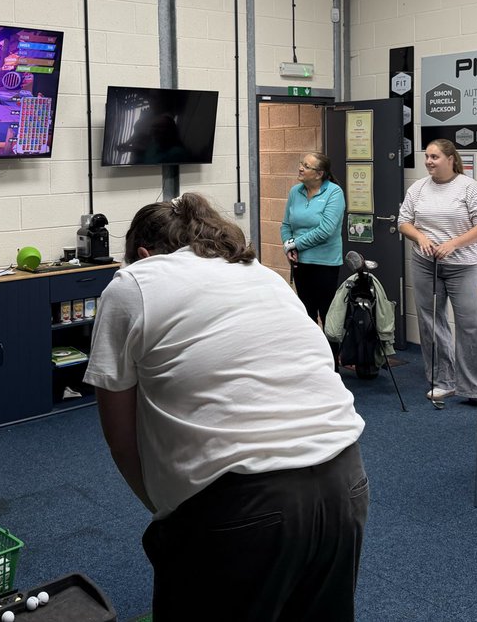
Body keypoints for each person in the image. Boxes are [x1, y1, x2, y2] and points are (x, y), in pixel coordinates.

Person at [83, 193, 368, 622]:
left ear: (142, 254)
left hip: (245, 505)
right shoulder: (262, 274)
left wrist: (165, 511)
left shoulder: (133, 283)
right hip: (346, 481)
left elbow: (120, 435)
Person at [398, 139, 477, 411]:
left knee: (471, 325)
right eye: (427, 157)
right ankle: (442, 380)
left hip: (464, 265)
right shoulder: (418, 188)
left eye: (435, 157)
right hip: (425, 264)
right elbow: (403, 222)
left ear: (451, 159)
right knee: (432, 321)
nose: (429, 161)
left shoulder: (469, 188)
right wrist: (420, 237)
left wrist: (452, 244)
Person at [281, 151, 346, 326]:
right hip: (300, 263)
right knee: (306, 314)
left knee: (327, 315)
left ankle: (332, 353)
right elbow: (286, 225)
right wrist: (288, 246)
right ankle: (312, 352)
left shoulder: (334, 192)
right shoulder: (295, 192)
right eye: (302, 164)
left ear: (319, 174)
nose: (300, 168)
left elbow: (326, 230)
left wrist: (295, 244)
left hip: (325, 264)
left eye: (306, 166)